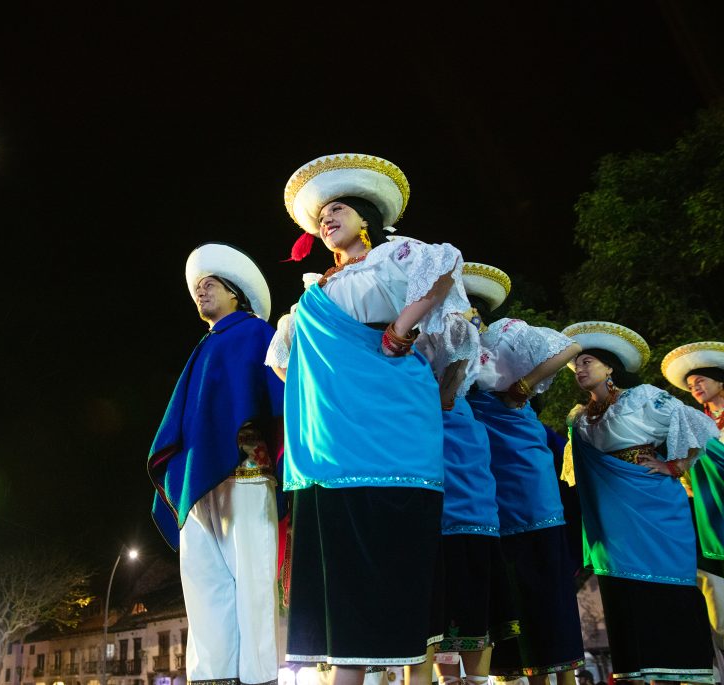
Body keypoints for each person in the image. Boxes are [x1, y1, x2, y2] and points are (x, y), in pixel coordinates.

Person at [267, 153, 469, 685]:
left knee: (394, 553)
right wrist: (331, 389)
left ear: (364, 218)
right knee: (345, 573)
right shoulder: (316, 293)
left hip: (394, 426)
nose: (327, 220)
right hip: (333, 447)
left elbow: (445, 265)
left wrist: (401, 328)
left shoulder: (395, 257)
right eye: (321, 217)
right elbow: (287, 362)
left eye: (338, 209)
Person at [148, 242, 284, 685]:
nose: (201, 292)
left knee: (253, 590)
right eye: (197, 288)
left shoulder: (255, 334)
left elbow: (281, 399)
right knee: (204, 591)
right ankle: (211, 678)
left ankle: (259, 678)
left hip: (246, 476)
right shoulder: (203, 347)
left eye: (210, 285)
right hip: (197, 488)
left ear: (236, 294)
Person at [562, 321, 716, 684]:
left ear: (610, 367)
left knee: (667, 589)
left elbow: (700, 427)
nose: (580, 370)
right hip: (612, 520)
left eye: (587, 362)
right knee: (623, 593)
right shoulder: (579, 419)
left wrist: (673, 465)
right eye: (576, 365)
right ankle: (637, 673)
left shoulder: (643, 399)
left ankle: (688, 672)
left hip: (654, 508)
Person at [464, 278, 584, 684]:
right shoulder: (447, 345)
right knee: (507, 587)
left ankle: (563, 677)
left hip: (524, 468)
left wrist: (525, 386)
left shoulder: (502, 336)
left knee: (543, 578)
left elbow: (569, 348)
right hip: (482, 476)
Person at [417, 262, 513, 685]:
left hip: (457, 434)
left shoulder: (474, 340)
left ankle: (474, 679)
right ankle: (445, 678)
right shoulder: (417, 331)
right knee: (433, 583)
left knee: (469, 563)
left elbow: (459, 386)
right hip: (418, 439)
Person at [662, 341, 724, 680]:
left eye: (700, 379)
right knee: (719, 620)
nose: (695, 387)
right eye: (690, 385)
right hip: (709, 530)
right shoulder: (695, 427)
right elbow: (685, 475)